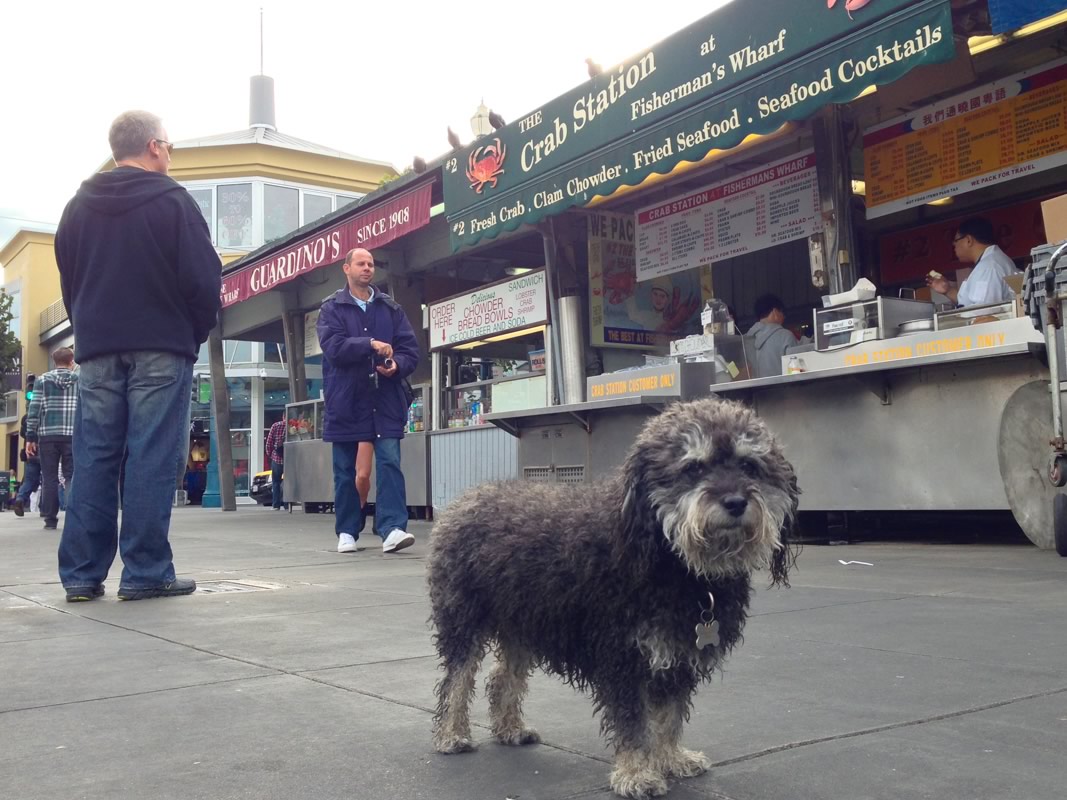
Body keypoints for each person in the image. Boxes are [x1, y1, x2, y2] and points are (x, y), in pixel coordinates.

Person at [54, 110, 221, 602]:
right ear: (152, 146)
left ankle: (81, 574)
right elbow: (203, 280)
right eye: (169, 146)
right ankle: (145, 571)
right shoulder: (173, 202)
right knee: (151, 454)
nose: (170, 154)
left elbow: (69, 280)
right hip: (161, 345)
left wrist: (89, 329)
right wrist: (192, 333)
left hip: (98, 349)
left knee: (94, 457)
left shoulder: (77, 207)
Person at [317, 247, 419, 555]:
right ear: (346, 268)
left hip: (384, 399)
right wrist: (370, 344)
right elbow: (333, 347)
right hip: (346, 400)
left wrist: (396, 365)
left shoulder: (391, 309)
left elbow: (410, 350)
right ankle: (347, 531)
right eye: (361, 263)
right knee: (344, 470)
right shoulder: (331, 308)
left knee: (390, 462)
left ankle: (392, 528)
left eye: (371, 264)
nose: (367, 268)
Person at [24, 347, 78, 530]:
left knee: (49, 478)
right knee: (71, 476)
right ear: (71, 360)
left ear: (54, 361)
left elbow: (34, 409)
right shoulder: (79, 380)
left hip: (48, 435)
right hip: (72, 435)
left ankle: (50, 519)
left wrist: (30, 436)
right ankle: (72, 516)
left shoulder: (42, 380)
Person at [926, 217, 1019, 307]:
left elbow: (983, 310)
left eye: (956, 240)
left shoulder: (988, 266)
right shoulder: (992, 261)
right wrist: (948, 290)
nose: (954, 245)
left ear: (969, 240)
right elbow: (971, 304)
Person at [746, 294, 803, 378]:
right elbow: (796, 372)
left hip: (754, 387)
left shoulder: (745, 341)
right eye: (782, 313)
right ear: (775, 312)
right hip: (783, 386)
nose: (784, 317)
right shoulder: (785, 336)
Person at [13, 413, 41, 517]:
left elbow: (22, 433)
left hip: (31, 452)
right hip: (46, 450)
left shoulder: (26, 417)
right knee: (49, 480)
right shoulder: (46, 413)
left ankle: (20, 498)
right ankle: (47, 507)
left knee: (29, 480)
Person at [265, 418, 287, 510]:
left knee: (276, 482)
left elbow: (269, 443)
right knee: (288, 482)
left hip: (277, 458)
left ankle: (276, 505)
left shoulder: (276, 425)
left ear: (283, 416)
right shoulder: (293, 426)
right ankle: (287, 504)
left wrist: (271, 455)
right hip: (289, 459)